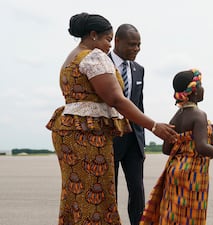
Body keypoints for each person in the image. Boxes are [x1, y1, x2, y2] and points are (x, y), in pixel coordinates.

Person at [46, 12, 176, 225]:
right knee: (96, 194)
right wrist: (153, 126)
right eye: (108, 39)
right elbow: (116, 99)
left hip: (70, 131)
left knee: (77, 194)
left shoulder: (71, 57)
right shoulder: (94, 56)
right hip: (88, 134)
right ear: (94, 35)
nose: (108, 46)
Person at [139, 69, 213, 225]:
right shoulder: (198, 115)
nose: (203, 89)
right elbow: (201, 147)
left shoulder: (176, 116)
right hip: (193, 174)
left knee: (173, 216)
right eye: (200, 85)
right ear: (193, 92)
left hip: (174, 171)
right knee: (191, 217)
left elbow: (166, 150)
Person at [109, 24, 146, 225]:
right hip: (110, 139)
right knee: (109, 191)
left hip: (133, 140)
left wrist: (142, 143)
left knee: (137, 191)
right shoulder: (101, 63)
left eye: (139, 44)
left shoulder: (139, 69)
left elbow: (139, 106)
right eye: (132, 44)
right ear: (117, 41)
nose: (137, 48)